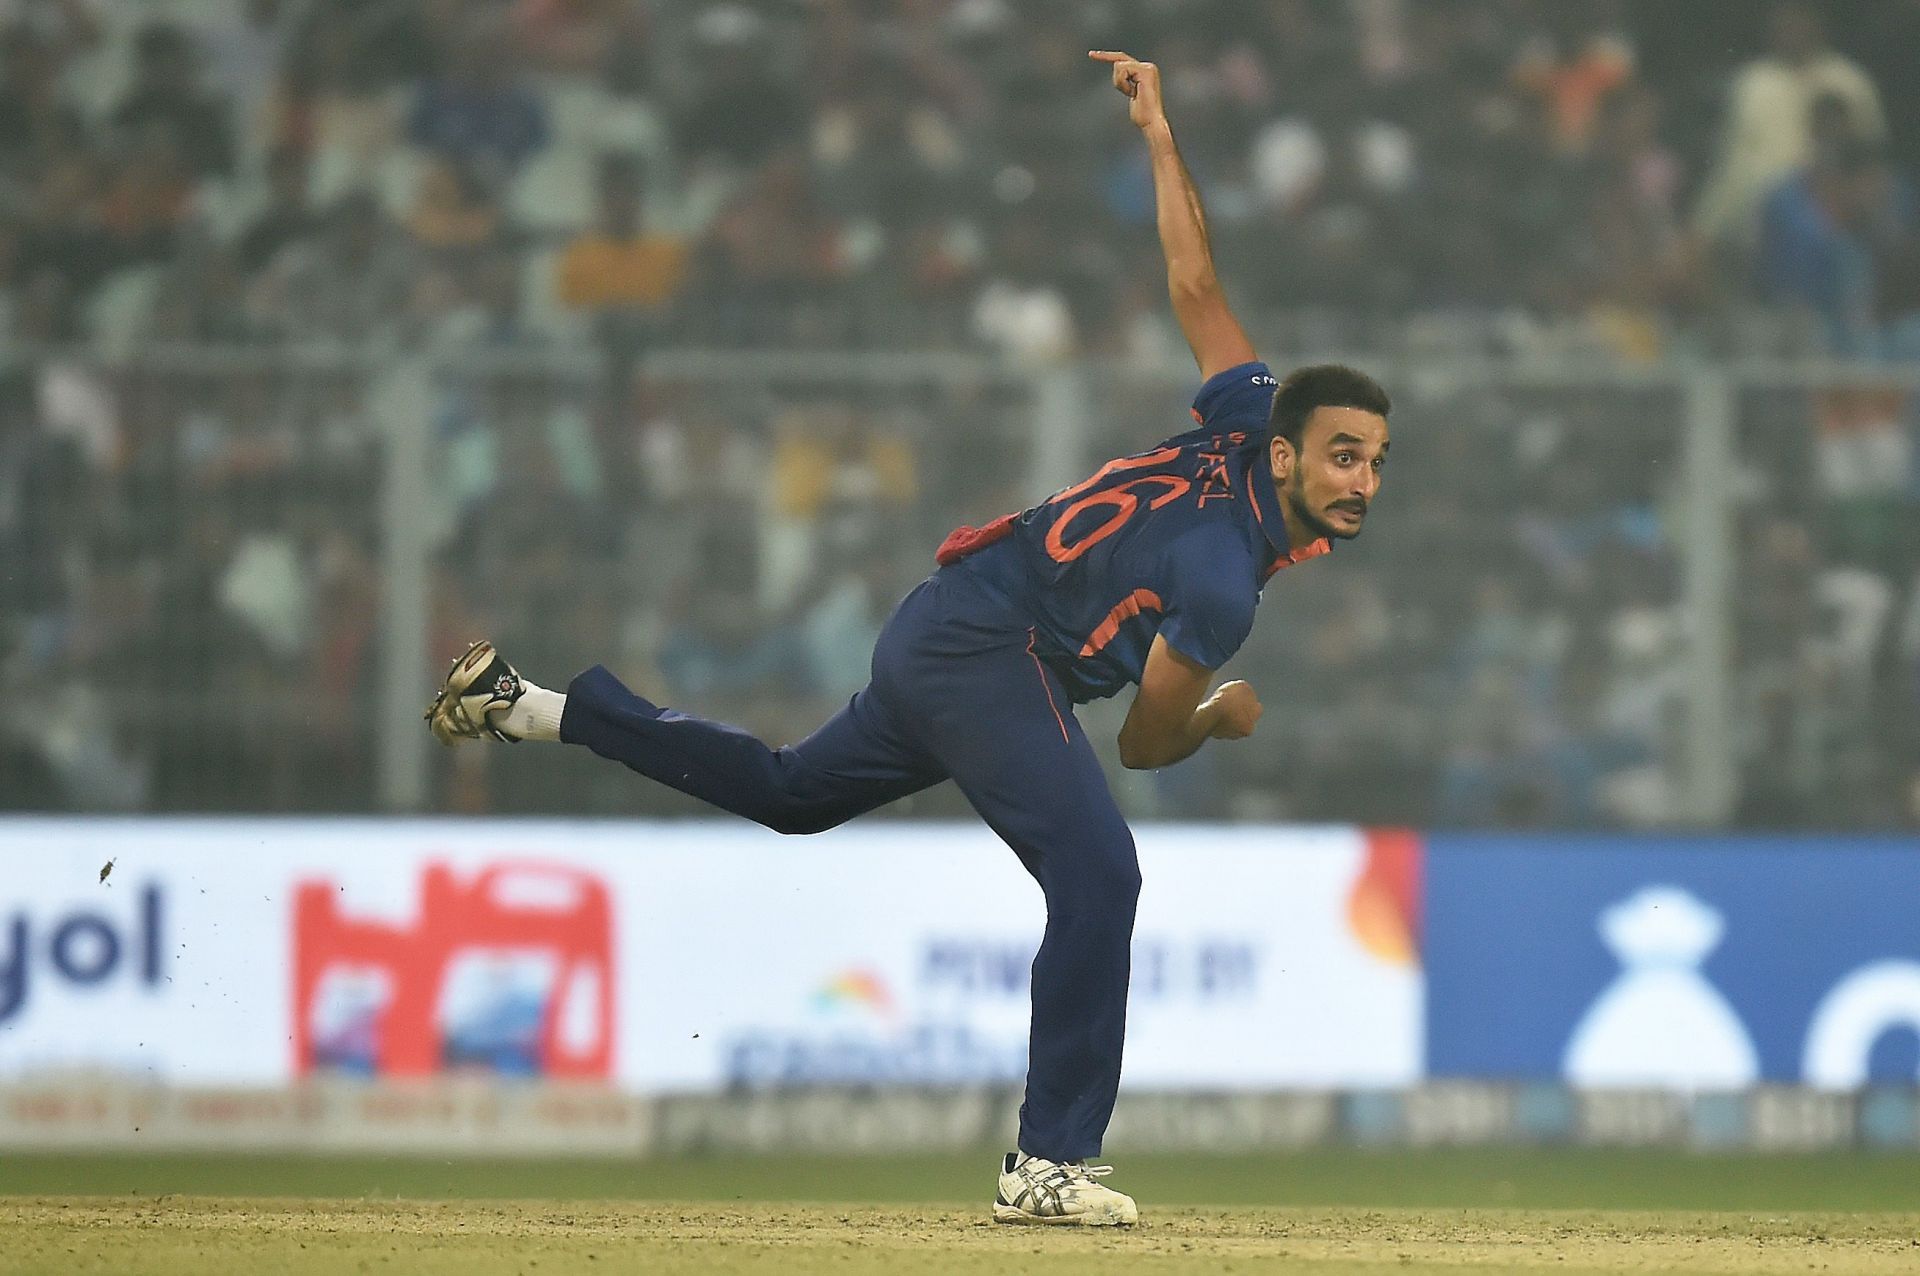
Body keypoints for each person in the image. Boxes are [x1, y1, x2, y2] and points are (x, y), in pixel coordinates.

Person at [424, 50, 1392, 1227]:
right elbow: (1144, 744)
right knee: (1100, 873)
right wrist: (1217, 716)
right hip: (991, 651)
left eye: (1378, 461)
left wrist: (1158, 135)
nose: (1364, 482)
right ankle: (1048, 1162)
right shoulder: (1227, 580)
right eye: (1346, 455)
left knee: (793, 793)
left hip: (949, 622)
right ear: (1288, 456)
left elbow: (1194, 281)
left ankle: (540, 706)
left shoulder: (1246, 414)